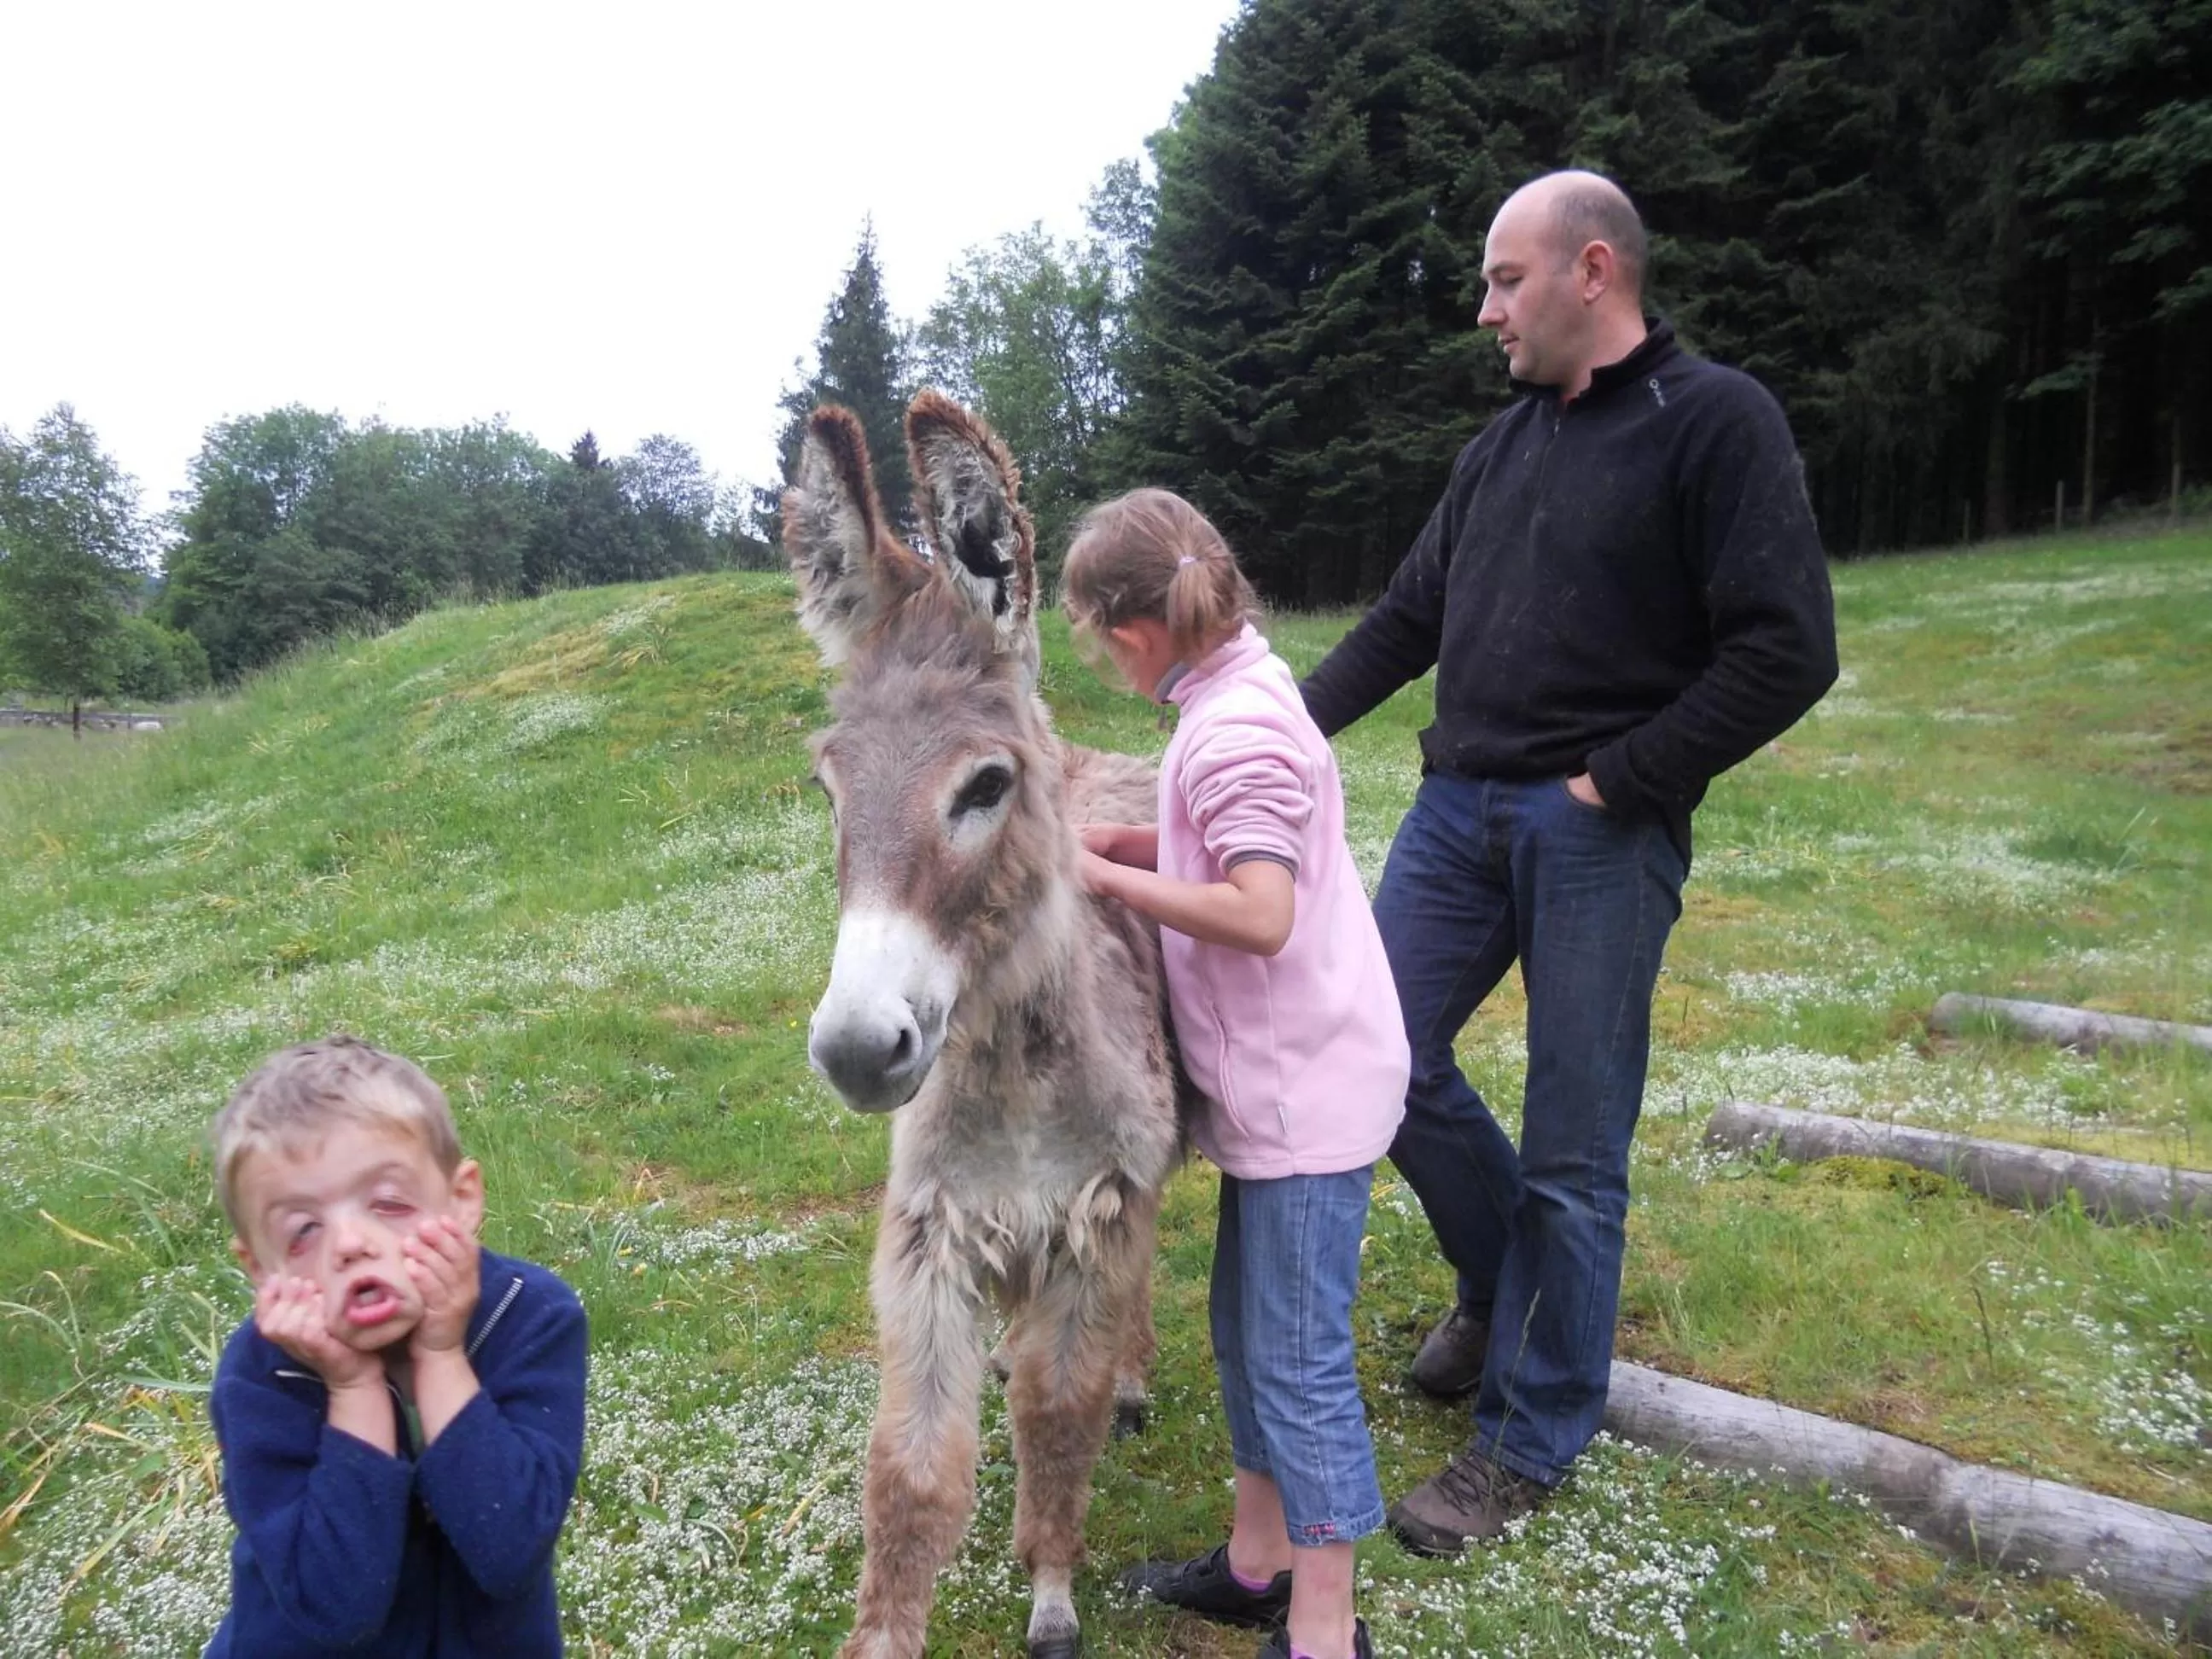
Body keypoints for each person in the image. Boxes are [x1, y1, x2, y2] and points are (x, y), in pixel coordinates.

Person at [1298, 169, 1838, 1557]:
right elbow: (1404, 620)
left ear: (1592, 271)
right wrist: (1258, 736)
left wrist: (1625, 775)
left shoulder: (1715, 421)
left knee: (1573, 1148)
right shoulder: (1499, 449)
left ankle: (1527, 1439)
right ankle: (1503, 1289)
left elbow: (1787, 647)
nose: (1486, 311)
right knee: (1372, 1056)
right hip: (1457, 813)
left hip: (1598, 828)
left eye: (1504, 280)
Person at [1064, 489, 1408, 1659]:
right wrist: (1130, 841)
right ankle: (1260, 1561)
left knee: (1299, 1364)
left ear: (1131, 632)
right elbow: (1232, 843)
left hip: (1307, 1096)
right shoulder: (1236, 690)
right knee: (1246, 1334)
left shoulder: (1234, 728)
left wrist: (1110, 882)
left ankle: (1325, 1628)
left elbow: (1261, 911)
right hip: (1278, 1091)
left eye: (1097, 643)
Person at [203, 1034, 588, 1656]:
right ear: (260, 1267)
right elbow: (335, 1607)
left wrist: (440, 1355)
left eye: (388, 1203)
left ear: (461, 1200)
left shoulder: (530, 1315)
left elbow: (511, 1550)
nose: (350, 1243)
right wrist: (352, 1387)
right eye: (303, 1231)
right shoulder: (258, 1377)